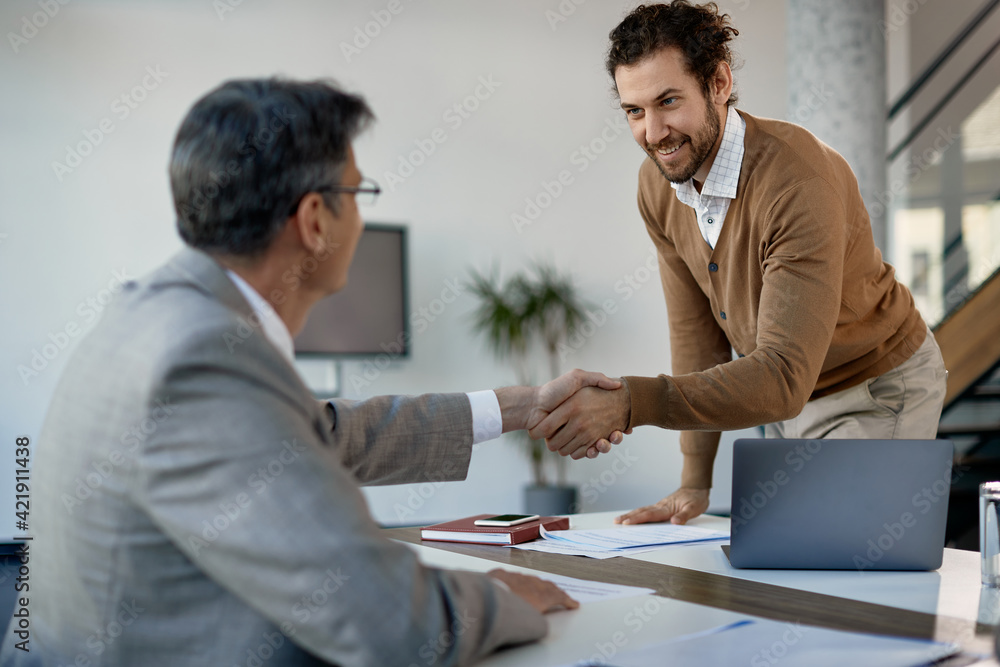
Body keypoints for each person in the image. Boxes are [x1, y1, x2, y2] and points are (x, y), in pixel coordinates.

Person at [2, 78, 624, 666]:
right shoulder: (202, 361)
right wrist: (507, 599)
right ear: (314, 220)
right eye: (359, 194)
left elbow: (325, 433)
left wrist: (521, 407)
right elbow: (390, 625)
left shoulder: (163, 316)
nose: (361, 215)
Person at [530, 1, 947, 526]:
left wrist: (630, 403)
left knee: (850, 561)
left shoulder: (797, 182)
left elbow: (781, 377)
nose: (653, 132)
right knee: (795, 558)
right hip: (783, 398)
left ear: (719, 83)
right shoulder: (659, 186)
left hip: (871, 386)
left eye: (668, 101)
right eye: (634, 111)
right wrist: (694, 480)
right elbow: (697, 336)